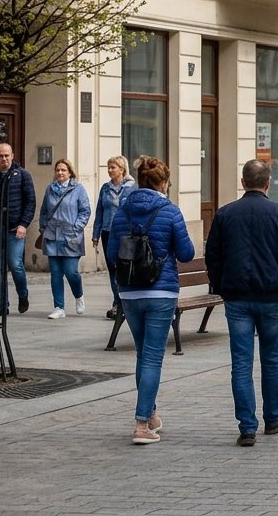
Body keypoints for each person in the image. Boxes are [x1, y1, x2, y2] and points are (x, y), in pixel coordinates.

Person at [205, 159, 278, 447]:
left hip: (237, 298)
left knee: (241, 363)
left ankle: (247, 427)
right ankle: (273, 418)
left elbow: (212, 256)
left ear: (243, 183)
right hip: (271, 297)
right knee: (271, 359)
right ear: (268, 183)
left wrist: (221, 286)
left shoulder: (225, 214)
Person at [107, 156, 196, 444]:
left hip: (129, 292)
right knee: (153, 356)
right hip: (161, 291)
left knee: (143, 354)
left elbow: (111, 254)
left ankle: (151, 413)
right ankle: (142, 424)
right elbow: (187, 253)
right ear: (164, 183)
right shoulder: (170, 211)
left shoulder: (122, 211)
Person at [39, 159, 91, 320]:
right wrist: (43, 227)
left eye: (63, 170)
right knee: (55, 273)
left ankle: (79, 296)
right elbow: (44, 210)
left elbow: (85, 211)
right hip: (52, 236)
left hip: (71, 237)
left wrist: (76, 228)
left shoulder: (78, 189)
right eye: (58, 170)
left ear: (70, 173)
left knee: (71, 272)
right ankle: (59, 307)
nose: (60, 173)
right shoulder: (50, 189)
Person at [0, 143, 36, 315]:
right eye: (0, 156)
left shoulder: (22, 175)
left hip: (16, 228)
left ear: (12, 156)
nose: (4, 159)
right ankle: (1, 306)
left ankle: (23, 294)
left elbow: (30, 202)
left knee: (15, 264)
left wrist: (24, 224)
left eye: (6, 155)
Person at [92, 155, 136, 320]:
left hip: (125, 233)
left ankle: (127, 302)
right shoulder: (105, 188)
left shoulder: (131, 188)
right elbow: (100, 211)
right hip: (107, 232)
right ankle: (117, 302)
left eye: (113, 167)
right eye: (108, 167)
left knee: (125, 268)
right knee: (112, 269)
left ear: (122, 169)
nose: (110, 170)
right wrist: (96, 234)